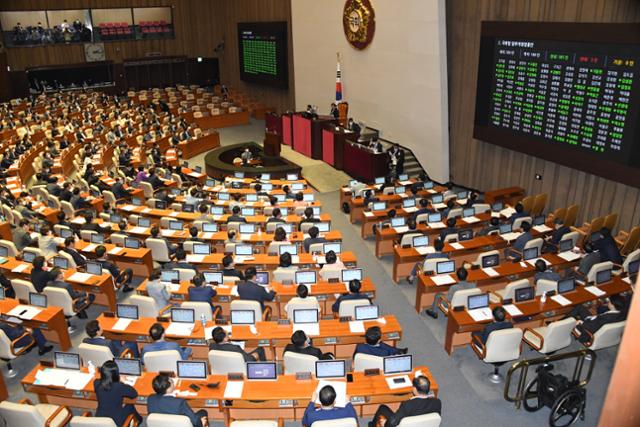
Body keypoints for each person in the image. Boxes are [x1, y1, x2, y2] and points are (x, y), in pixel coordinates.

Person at [369, 375, 441, 427]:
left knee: (382, 408)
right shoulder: (437, 402)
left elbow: (392, 422)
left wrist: (385, 423)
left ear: (415, 389)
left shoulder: (407, 405)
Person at [93, 360, 142, 426]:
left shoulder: (96, 383)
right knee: (130, 406)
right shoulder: (119, 386)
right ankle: (139, 420)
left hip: (100, 419)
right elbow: (134, 394)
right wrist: (123, 382)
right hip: (115, 421)